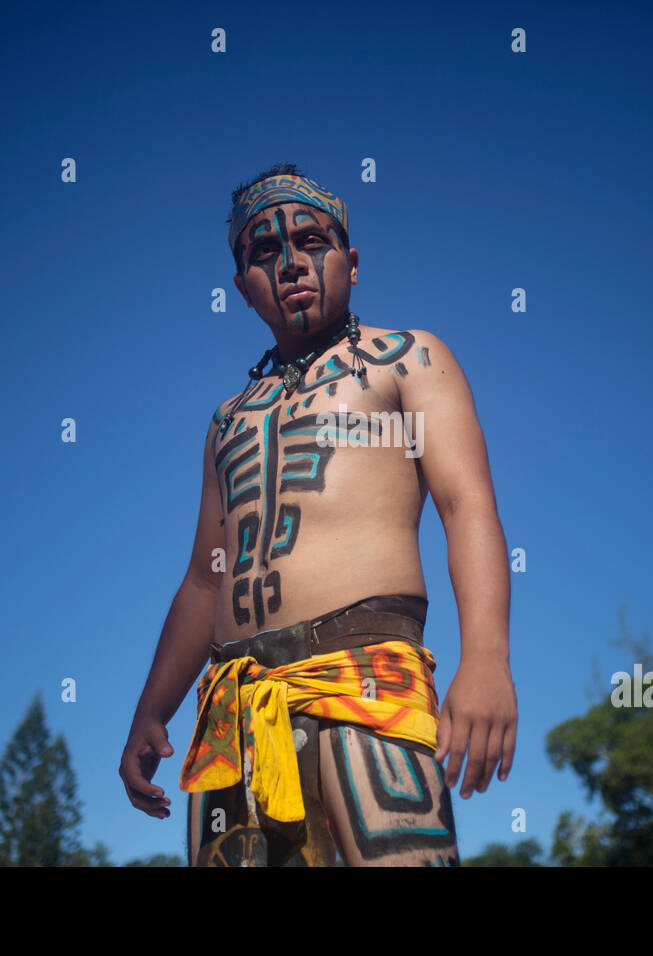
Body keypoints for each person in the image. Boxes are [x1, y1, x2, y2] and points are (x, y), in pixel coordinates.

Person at [118, 162, 517, 866]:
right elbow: (205, 582)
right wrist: (152, 711)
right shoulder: (228, 420)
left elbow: (467, 505)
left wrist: (486, 657)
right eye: (264, 252)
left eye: (312, 240)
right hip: (236, 711)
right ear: (242, 288)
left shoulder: (409, 360)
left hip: (366, 681)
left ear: (351, 261)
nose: (292, 262)